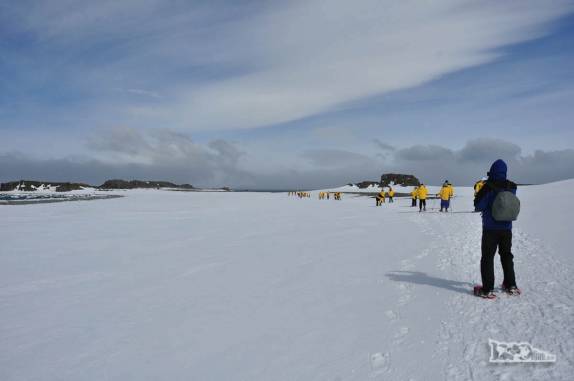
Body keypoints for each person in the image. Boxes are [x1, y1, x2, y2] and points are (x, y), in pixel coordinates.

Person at [474, 159, 520, 299]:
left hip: (490, 229)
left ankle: (487, 289)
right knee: (506, 255)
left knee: (487, 258)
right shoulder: (511, 186)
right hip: (506, 228)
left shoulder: (488, 186)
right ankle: (510, 285)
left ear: (492, 171)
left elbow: (478, 206)